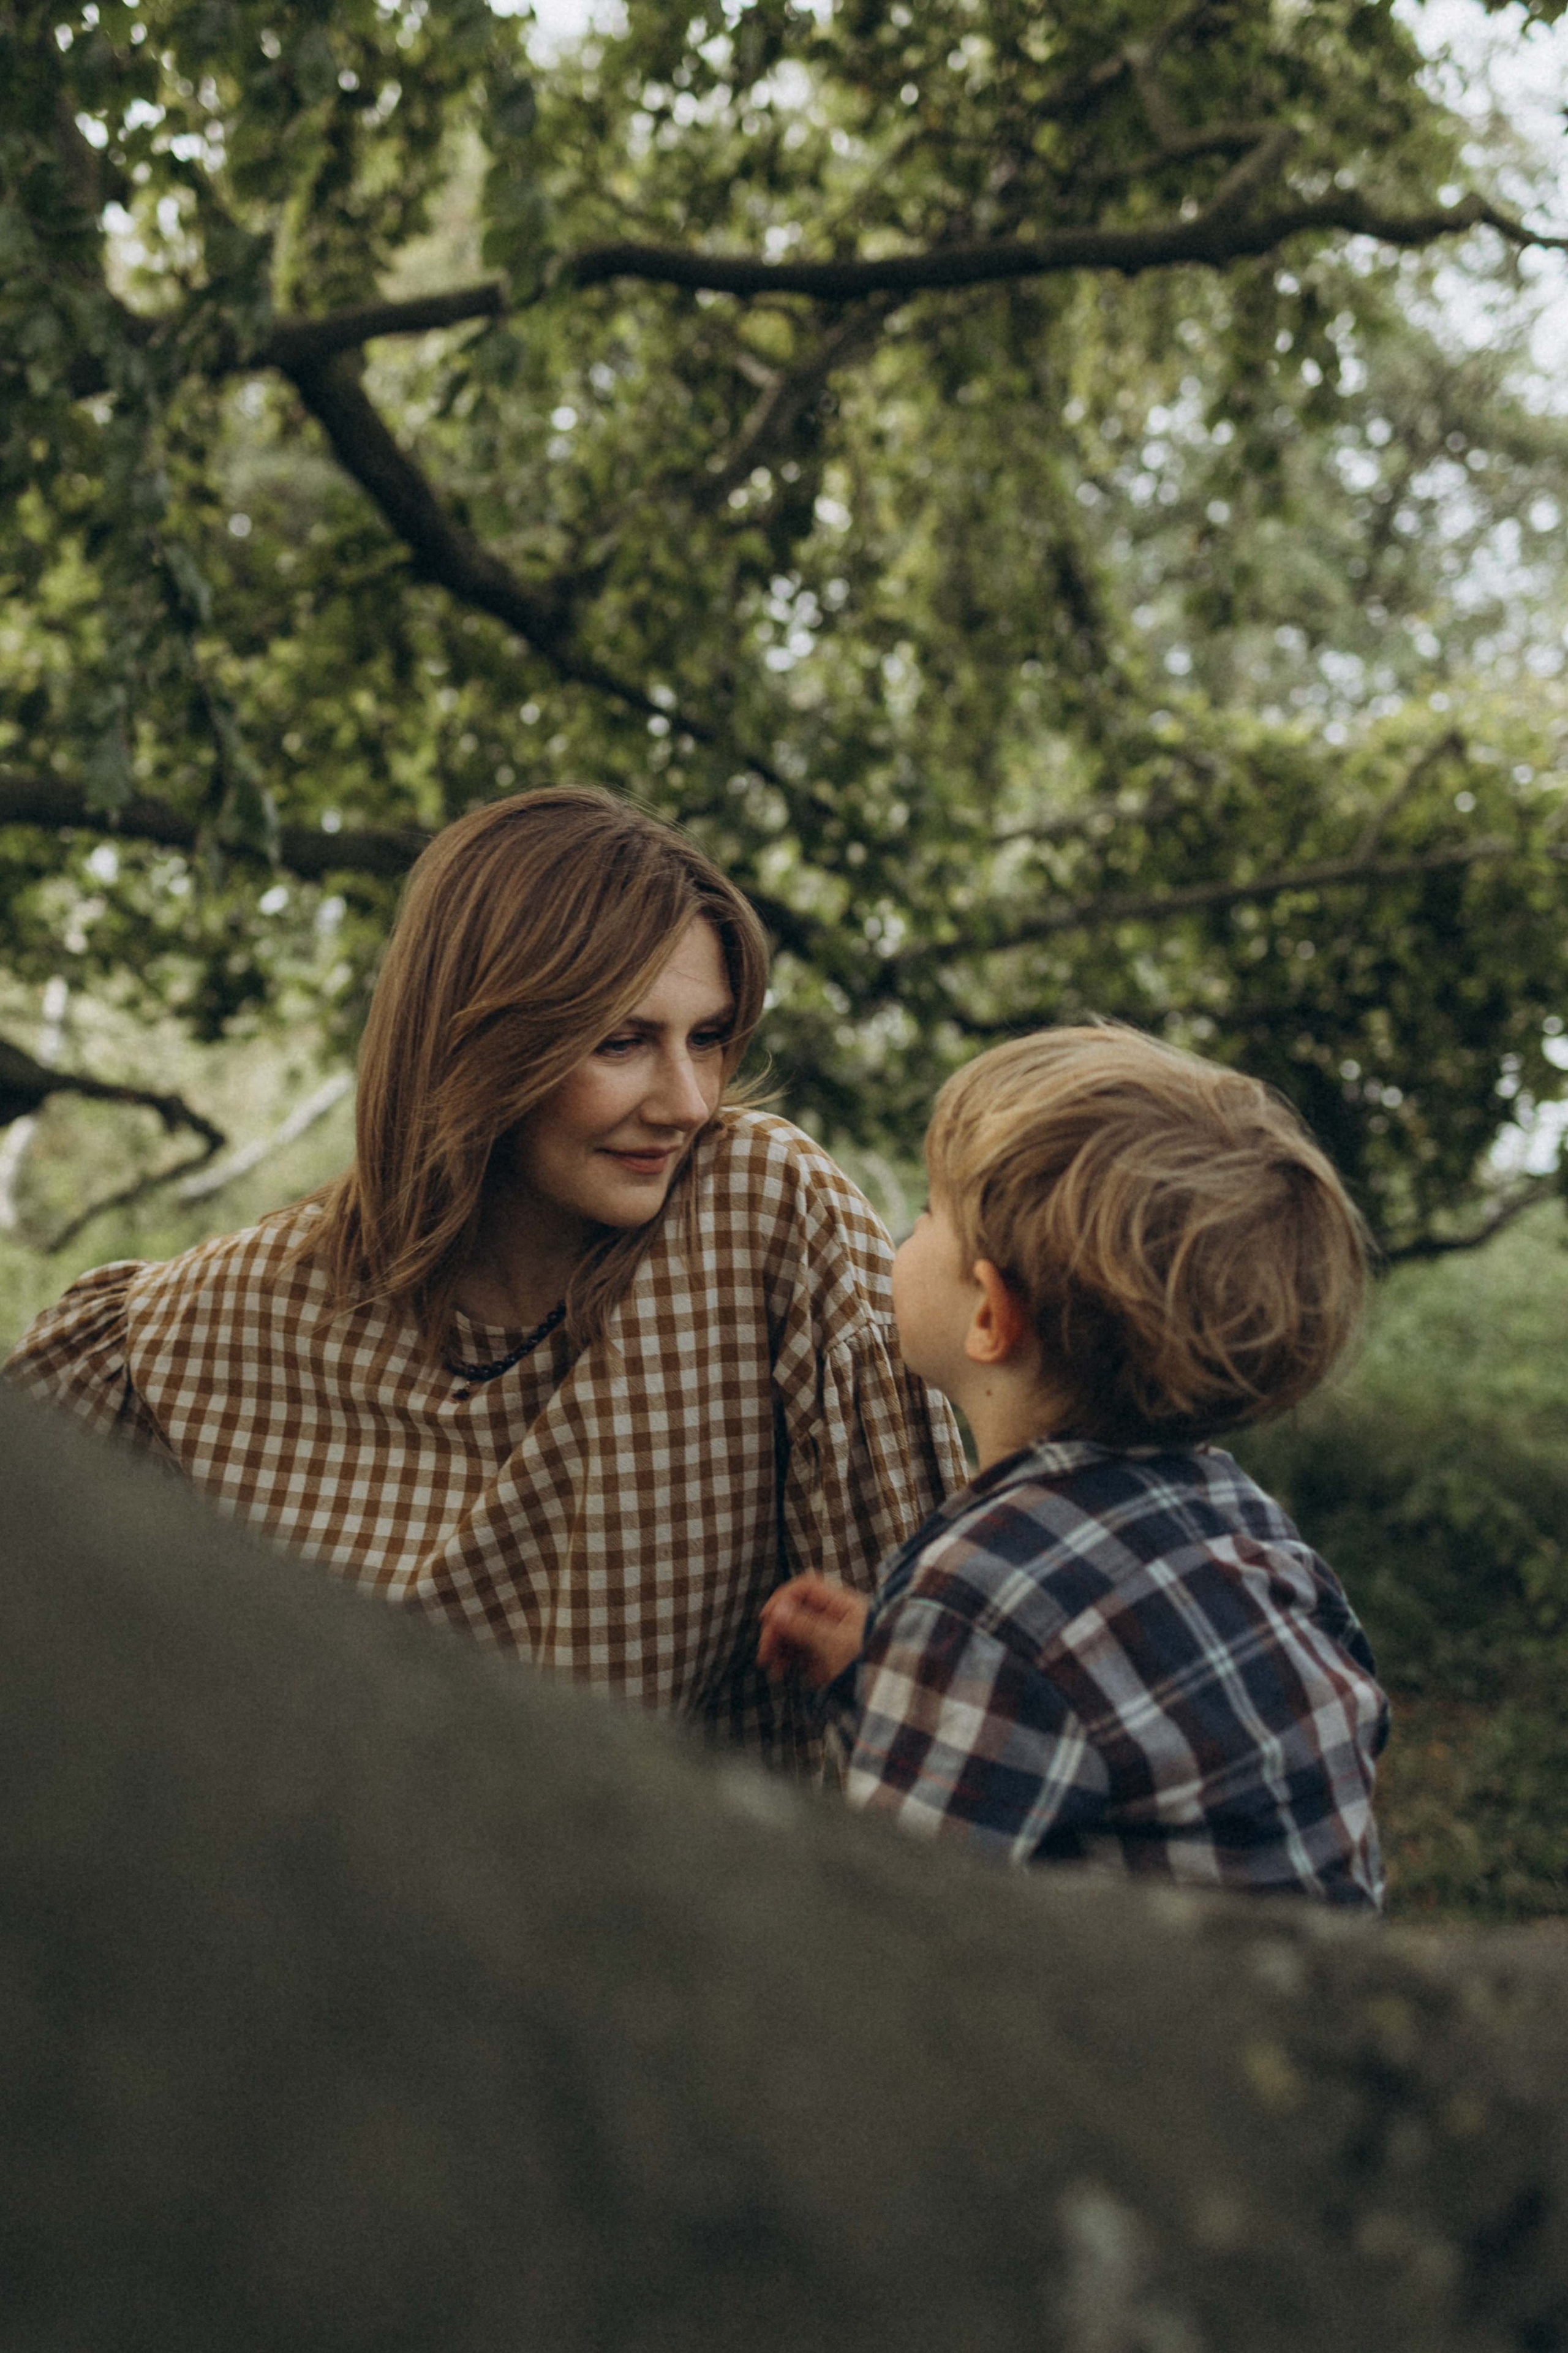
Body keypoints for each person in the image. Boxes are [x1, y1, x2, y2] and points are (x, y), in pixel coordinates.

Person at [7, 786, 965, 1767]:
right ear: (477, 1041)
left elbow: (935, 1692)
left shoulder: (761, 1216)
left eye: (709, 1036)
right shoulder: (192, 1332)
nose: (687, 1100)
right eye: (622, 1041)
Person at [758, 1023, 1389, 1902]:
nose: (907, 1231)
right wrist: (893, 1672)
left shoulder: (977, 1598)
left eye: (932, 1214)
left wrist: (939, 1653)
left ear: (991, 1315)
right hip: (1310, 1971)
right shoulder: (1246, 1523)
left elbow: (894, 1914)